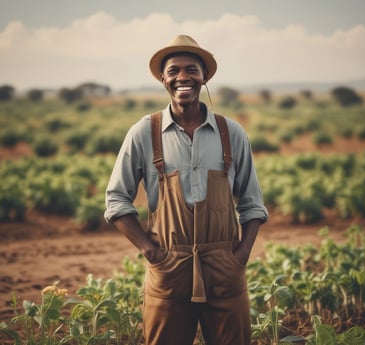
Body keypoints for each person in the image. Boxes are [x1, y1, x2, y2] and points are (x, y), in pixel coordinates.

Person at [105, 34, 269, 345]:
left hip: (224, 267)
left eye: (192, 70)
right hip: (168, 267)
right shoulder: (144, 132)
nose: (183, 77)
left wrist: (240, 257)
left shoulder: (231, 132)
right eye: (174, 71)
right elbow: (116, 199)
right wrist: (151, 252)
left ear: (204, 76)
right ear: (163, 79)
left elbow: (252, 204)